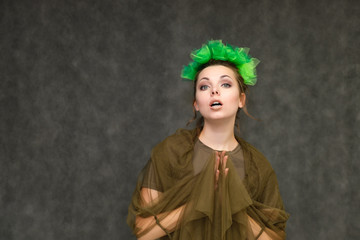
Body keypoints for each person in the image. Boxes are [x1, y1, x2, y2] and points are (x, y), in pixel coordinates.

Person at [127, 40, 289, 240]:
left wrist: (231, 205)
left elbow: (275, 238)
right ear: (196, 103)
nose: (214, 91)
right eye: (204, 86)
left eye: (226, 84)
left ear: (241, 99)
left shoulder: (258, 166)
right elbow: (143, 232)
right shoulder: (171, 152)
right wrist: (198, 203)